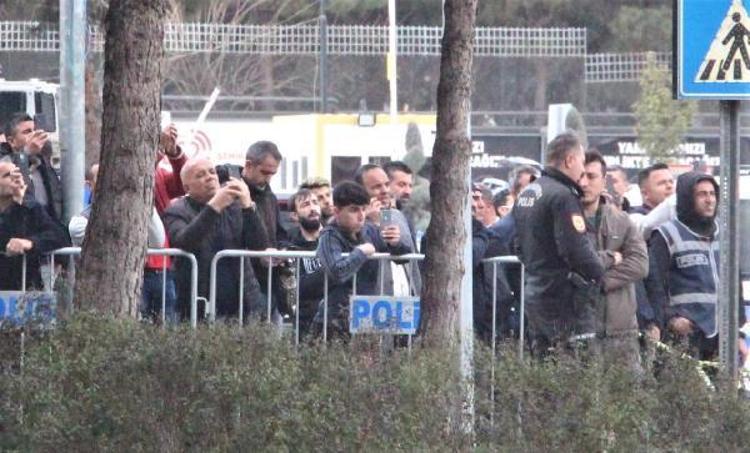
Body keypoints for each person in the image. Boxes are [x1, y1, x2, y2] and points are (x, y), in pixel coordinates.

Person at [512, 132, 606, 356]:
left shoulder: (528, 193)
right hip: (564, 301)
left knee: (544, 364)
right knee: (577, 367)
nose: (582, 170)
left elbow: (517, 245)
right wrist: (599, 273)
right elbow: (576, 249)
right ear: (570, 160)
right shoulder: (563, 196)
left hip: (536, 294)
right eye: (581, 162)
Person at [644, 171, 747, 361]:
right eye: (702, 194)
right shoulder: (666, 236)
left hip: (722, 338)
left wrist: (738, 334)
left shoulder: (725, 236)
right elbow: (654, 287)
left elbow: (735, 287)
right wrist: (670, 318)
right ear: (687, 198)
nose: (709, 200)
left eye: (712, 194)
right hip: (683, 336)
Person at [164, 157, 269, 320]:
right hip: (198, 300)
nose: (210, 177)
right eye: (200, 175)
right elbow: (184, 241)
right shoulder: (176, 211)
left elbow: (259, 245)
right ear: (186, 188)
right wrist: (214, 207)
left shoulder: (234, 205)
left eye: (212, 172)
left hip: (243, 299)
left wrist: (248, 207)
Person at [579, 151, 648, 371]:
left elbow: (639, 264)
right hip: (578, 330)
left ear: (603, 180)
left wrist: (600, 281)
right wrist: (612, 258)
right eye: (580, 176)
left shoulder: (621, 220)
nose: (584, 183)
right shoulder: (564, 220)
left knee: (628, 390)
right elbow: (569, 264)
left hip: (621, 331)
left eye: (591, 176)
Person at [313, 181, 410, 338]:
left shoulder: (369, 230)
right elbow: (337, 272)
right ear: (337, 211)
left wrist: (395, 243)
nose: (361, 216)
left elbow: (403, 258)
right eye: (354, 210)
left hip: (366, 315)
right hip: (335, 318)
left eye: (364, 209)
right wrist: (360, 252)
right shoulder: (329, 236)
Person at [217, 141, 288, 316]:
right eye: (264, 172)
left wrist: (282, 250)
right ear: (249, 165)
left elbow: (279, 233)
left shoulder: (269, 196)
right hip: (234, 282)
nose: (268, 179)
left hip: (266, 281)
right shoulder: (226, 188)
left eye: (272, 174)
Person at [0, 161, 69, 291]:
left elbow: (59, 235)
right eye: (7, 175)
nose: (15, 179)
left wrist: (31, 243)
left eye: (17, 174)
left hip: (25, 287)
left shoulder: (30, 207)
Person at [355, 164, 420, 296]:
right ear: (361, 191)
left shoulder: (395, 214)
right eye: (377, 187)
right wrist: (372, 223)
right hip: (371, 301)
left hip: (407, 299)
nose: (385, 190)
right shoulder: (353, 220)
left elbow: (406, 253)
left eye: (386, 184)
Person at [0, 113, 63, 222]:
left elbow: (55, 197)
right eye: (27, 132)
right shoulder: (4, 162)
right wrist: (25, 154)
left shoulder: (41, 161)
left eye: (34, 130)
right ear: (11, 141)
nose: (33, 135)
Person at [285, 188, 326, 336]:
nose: (313, 208)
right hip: (305, 319)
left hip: (334, 315)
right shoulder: (290, 245)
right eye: (305, 205)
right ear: (294, 216)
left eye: (315, 203)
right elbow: (297, 287)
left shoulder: (334, 238)